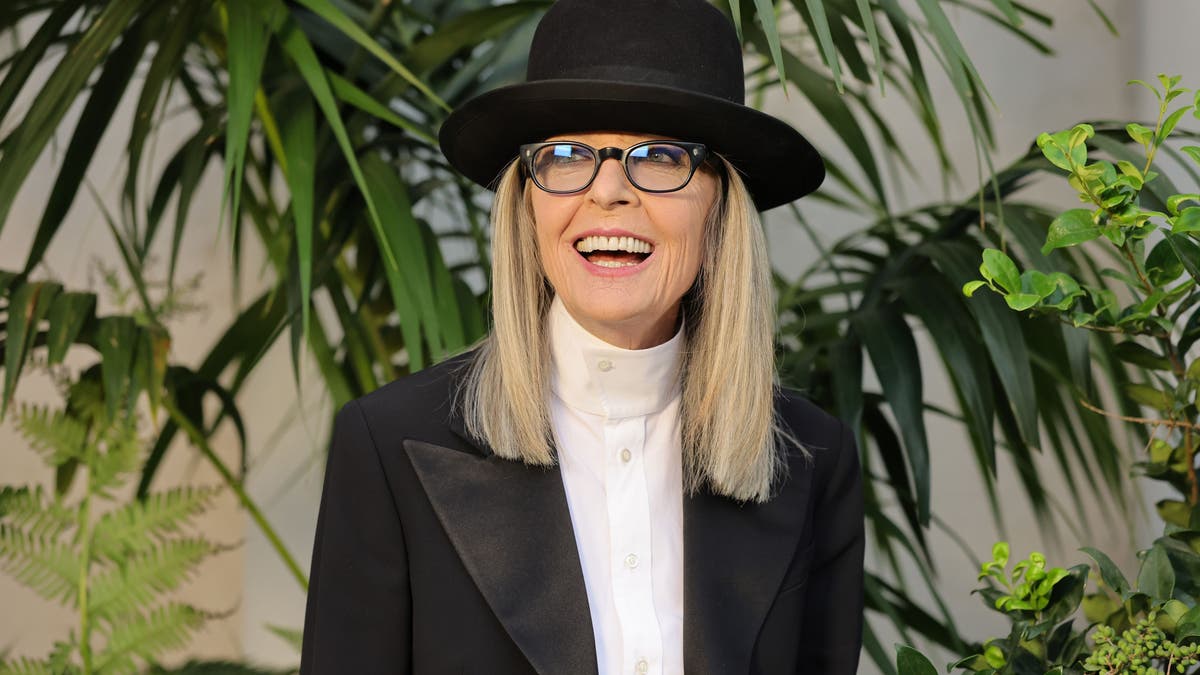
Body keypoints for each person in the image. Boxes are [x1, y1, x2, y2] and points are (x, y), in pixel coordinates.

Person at [298, 0, 864, 673]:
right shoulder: (388, 448)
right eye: (567, 155)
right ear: (528, 200)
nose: (608, 192)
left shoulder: (812, 459)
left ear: (719, 207)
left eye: (657, 155)